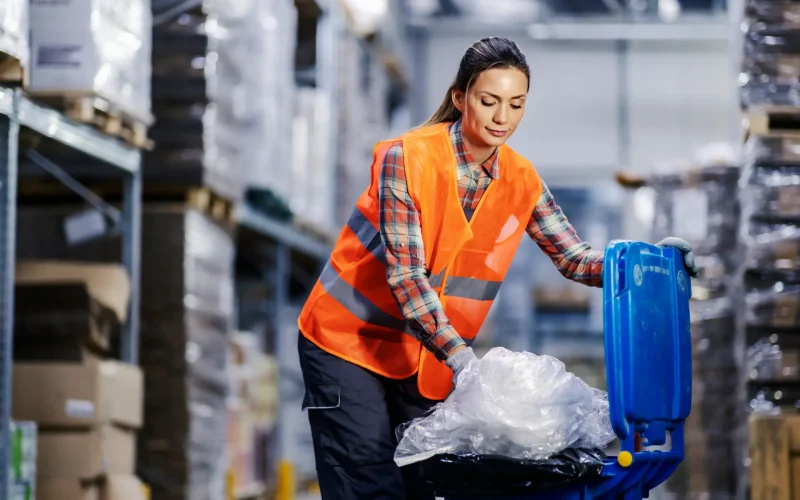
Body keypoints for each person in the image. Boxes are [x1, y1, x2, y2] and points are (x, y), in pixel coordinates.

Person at [296, 36, 698, 500]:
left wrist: (646, 261)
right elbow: (407, 277)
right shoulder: (406, 159)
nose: (502, 117)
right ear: (460, 97)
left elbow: (572, 257)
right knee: (368, 485)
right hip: (349, 344)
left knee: (428, 481)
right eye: (488, 102)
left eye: (516, 104)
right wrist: (464, 362)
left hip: (423, 357)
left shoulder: (521, 179)